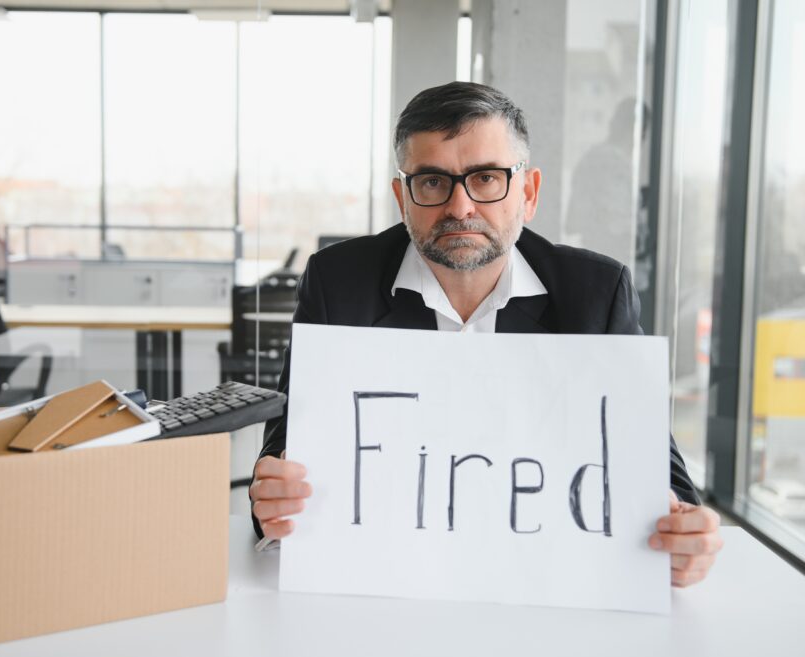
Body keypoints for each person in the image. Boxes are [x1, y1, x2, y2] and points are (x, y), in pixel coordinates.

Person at [249, 82, 722, 588]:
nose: (460, 207)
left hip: (543, 588)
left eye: (486, 178)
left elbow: (653, 462)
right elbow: (287, 445)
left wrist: (686, 531)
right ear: (401, 198)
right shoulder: (337, 283)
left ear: (529, 192)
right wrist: (271, 495)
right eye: (432, 182)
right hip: (388, 586)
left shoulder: (596, 294)